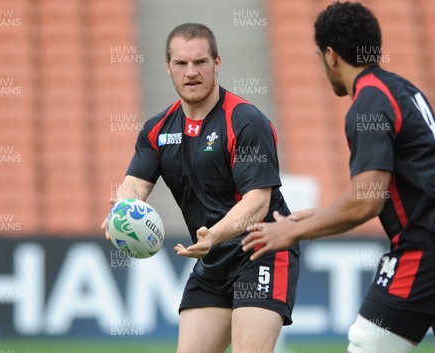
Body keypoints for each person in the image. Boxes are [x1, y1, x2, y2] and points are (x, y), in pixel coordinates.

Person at [242, 2, 435, 353]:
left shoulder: (368, 103)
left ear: (331, 56)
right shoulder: (402, 89)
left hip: (429, 248)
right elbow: (401, 185)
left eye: (320, 57)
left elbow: (367, 199)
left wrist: (295, 230)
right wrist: (315, 219)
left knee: (367, 345)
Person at [101, 23, 299, 353]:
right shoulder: (157, 131)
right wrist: (122, 209)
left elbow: (258, 201)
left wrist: (213, 236)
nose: (191, 72)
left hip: (262, 250)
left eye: (200, 62)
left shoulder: (246, 121)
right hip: (212, 261)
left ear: (217, 63)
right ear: (168, 67)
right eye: (181, 63)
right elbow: (135, 185)